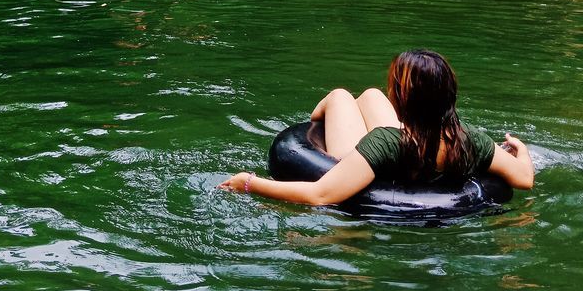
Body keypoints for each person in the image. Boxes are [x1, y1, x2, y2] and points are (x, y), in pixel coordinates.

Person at [219, 48, 534, 206]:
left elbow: (320, 194)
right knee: (369, 95)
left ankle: (329, 109)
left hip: (375, 164)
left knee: (341, 96)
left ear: (403, 100)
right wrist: (520, 149)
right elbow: (524, 179)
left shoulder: (384, 142)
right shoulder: (470, 140)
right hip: (419, 152)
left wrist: (248, 183)